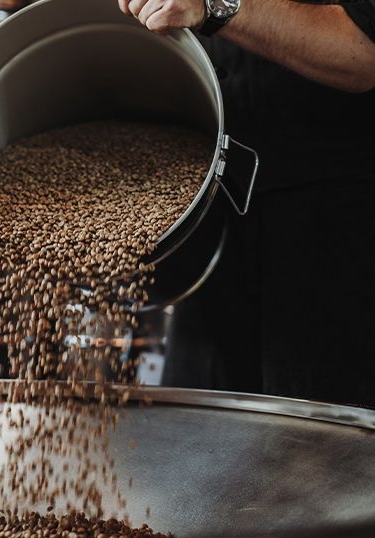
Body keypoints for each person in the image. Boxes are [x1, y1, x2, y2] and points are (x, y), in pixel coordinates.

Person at [118, 0, 375, 407]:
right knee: (199, 447)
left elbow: (365, 50)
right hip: (210, 212)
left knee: (322, 451)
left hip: (332, 235)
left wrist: (215, 6)